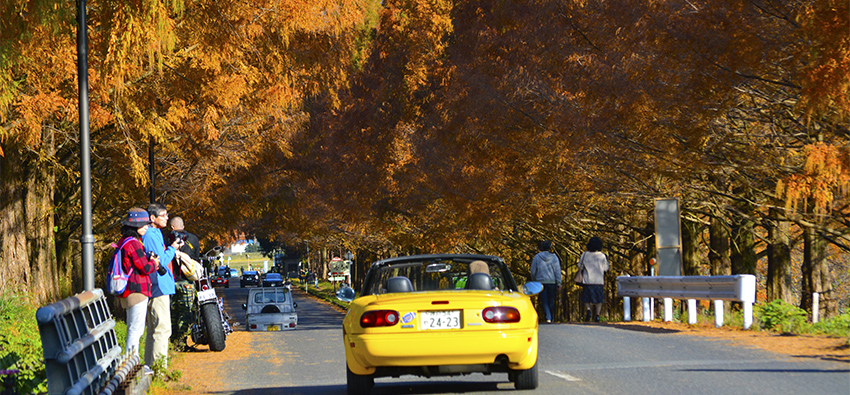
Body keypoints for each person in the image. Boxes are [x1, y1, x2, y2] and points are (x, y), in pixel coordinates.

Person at [115, 208, 159, 376]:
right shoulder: (133, 243)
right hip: (137, 290)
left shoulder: (123, 241)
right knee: (136, 328)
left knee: (134, 326)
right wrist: (154, 262)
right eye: (143, 224)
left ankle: (131, 361)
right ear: (135, 226)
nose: (146, 227)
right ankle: (131, 364)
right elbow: (145, 267)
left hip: (128, 290)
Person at [143, 203, 182, 370]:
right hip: (158, 286)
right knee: (162, 329)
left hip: (160, 285)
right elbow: (161, 262)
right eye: (164, 215)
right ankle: (159, 369)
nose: (167, 218)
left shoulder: (156, 232)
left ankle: (150, 367)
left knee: (154, 330)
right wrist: (173, 249)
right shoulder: (151, 235)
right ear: (153, 218)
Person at [168, 216, 201, 347]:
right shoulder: (193, 239)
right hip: (187, 281)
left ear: (172, 227)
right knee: (185, 313)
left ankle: (172, 341)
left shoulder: (167, 239)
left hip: (170, 282)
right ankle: (181, 342)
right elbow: (197, 257)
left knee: (171, 312)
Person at [578, 236, 610, 322]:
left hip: (587, 280)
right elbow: (606, 268)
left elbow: (580, 266)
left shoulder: (584, 254)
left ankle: (588, 310)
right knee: (599, 299)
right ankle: (598, 315)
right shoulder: (602, 256)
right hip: (599, 281)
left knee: (586, 298)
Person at [530, 240, 561, 323]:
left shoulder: (537, 257)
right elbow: (557, 271)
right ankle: (551, 316)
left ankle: (548, 317)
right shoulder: (554, 257)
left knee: (544, 301)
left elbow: (533, 271)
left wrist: (534, 280)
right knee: (551, 300)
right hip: (552, 282)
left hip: (541, 282)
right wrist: (559, 283)